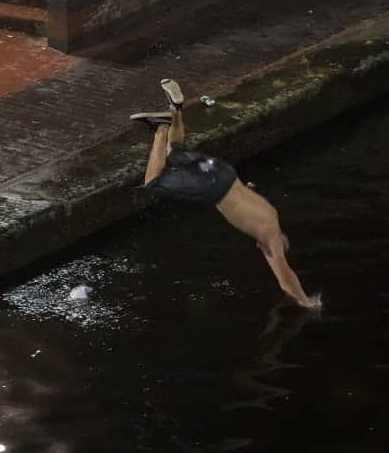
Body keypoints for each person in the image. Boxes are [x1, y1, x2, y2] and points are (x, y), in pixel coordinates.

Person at [132, 79, 320, 309]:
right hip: (216, 185)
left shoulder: (272, 214)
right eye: (269, 250)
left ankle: (175, 110)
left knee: (175, 150)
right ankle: (161, 128)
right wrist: (306, 301)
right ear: (280, 242)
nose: (261, 249)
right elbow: (285, 280)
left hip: (223, 170)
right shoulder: (271, 237)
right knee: (152, 181)